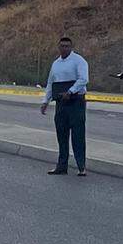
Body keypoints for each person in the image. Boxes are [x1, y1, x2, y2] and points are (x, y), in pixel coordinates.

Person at [40, 35, 88, 176]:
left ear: (71, 47)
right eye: (62, 46)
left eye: (67, 46)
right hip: (61, 102)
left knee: (78, 135)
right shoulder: (56, 63)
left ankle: (81, 166)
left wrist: (71, 91)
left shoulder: (79, 61)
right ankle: (62, 166)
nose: (64, 48)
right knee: (62, 134)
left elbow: (83, 79)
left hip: (75, 101)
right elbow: (51, 83)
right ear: (58, 47)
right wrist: (45, 101)